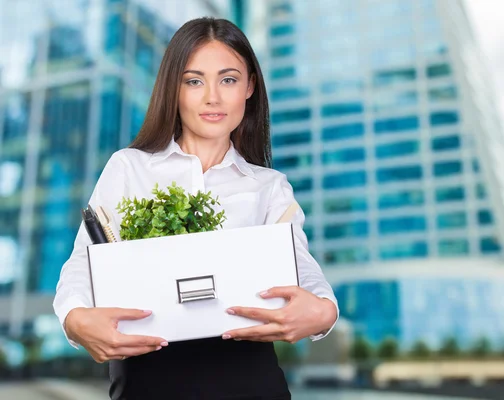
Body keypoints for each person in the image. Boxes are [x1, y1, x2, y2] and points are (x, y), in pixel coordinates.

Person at [53, 17, 339, 399]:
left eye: (229, 80)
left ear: (250, 86)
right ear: (174, 88)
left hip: (249, 379)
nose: (212, 98)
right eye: (194, 81)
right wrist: (75, 320)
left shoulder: (268, 187)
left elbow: (305, 272)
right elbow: (81, 264)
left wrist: (325, 313)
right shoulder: (129, 167)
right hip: (147, 378)